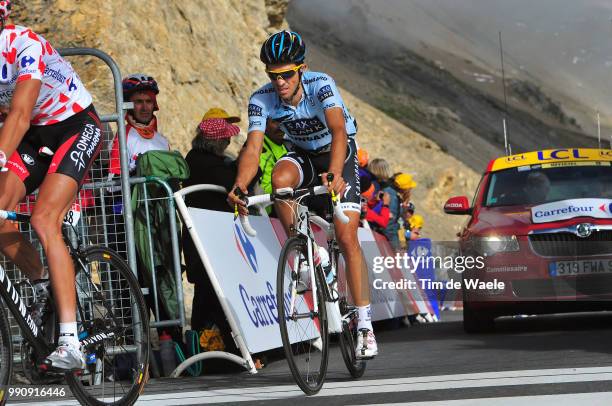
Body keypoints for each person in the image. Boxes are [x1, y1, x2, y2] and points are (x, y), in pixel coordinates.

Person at [227, 30, 378, 358]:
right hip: (304, 157)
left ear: (301, 69)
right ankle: (307, 248)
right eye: (273, 74)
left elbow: (339, 131)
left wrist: (336, 174)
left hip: (339, 152)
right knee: (279, 178)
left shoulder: (321, 84)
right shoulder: (261, 98)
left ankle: (365, 324)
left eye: (286, 74)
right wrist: (240, 183)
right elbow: (253, 148)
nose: (280, 82)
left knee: (347, 235)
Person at [0, 1, 102, 370]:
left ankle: (71, 340)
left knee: (44, 220)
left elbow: (20, 114)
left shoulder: (23, 45)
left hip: (74, 126)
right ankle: (44, 285)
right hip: (34, 138)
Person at [182, 117, 242, 358]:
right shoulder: (204, 162)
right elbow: (232, 182)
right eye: (225, 136)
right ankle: (211, 350)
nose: (229, 139)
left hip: (207, 236)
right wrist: (248, 161)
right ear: (214, 140)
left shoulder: (204, 160)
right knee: (209, 294)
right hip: (206, 239)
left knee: (207, 294)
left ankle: (210, 348)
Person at [109, 73, 170, 177]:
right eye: (139, 102)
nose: (144, 108)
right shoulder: (123, 137)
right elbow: (112, 187)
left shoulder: (163, 141)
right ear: (128, 105)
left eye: (149, 101)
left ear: (154, 105)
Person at [383, 173, 417, 251]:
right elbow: (389, 226)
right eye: (409, 188)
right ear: (405, 189)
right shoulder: (393, 199)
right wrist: (397, 247)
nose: (410, 191)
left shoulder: (391, 192)